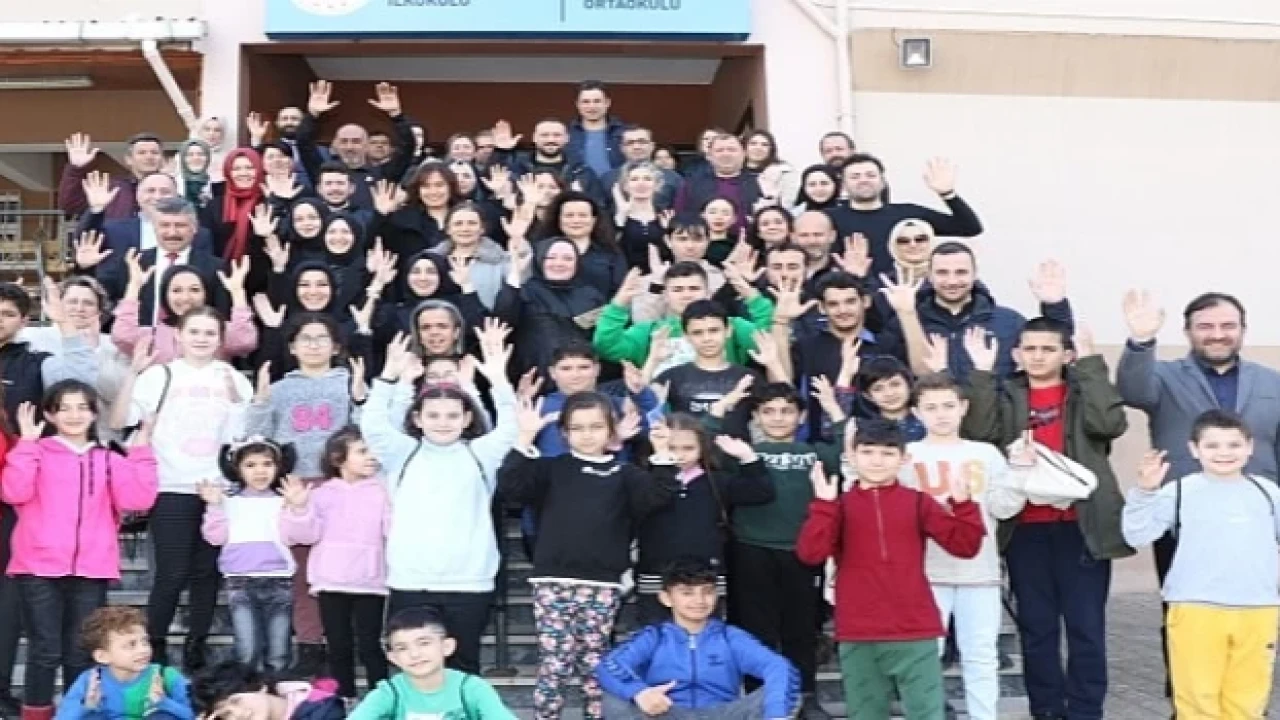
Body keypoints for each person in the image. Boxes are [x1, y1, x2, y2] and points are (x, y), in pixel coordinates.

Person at [962, 318, 1132, 720]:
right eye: (1030, 349)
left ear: (1066, 355)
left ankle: (1086, 711)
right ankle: (1047, 710)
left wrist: (1091, 366)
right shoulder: (1006, 394)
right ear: (1017, 354)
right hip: (1025, 528)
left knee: (1085, 627)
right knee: (1037, 628)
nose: (1038, 357)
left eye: (1048, 349)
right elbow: (979, 434)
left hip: (1082, 527)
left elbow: (1109, 424)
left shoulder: (1083, 390)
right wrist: (982, 376)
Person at [498, 392, 679, 720]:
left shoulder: (625, 474)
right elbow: (512, 487)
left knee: (596, 664)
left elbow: (658, 497)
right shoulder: (551, 469)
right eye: (577, 428)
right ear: (564, 433)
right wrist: (524, 438)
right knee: (555, 663)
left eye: (596, 426)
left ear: (612, 430)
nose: (587, 434)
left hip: (602, 583)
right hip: (552, 581)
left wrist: (663, 453)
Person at [796, 420, 985, 720]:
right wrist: (823, 506)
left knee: (928, 714)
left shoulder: (918, 502)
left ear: (903, 459)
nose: (877, 461)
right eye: (868, 452)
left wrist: (964, 505)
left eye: (887, 453)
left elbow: (965, 546)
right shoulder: (839, 505)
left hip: (916, 630)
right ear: (852, 456)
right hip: (859, 632)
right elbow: (810, 554)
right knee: (865, 714)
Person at [362, 323, 517, 676]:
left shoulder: (481, 454)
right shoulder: (402, 452)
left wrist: (497, 379)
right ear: (417, 419)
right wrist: (389, 379)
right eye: (433, 415)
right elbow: (373, 425)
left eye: (452, 416)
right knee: (413, 669)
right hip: (410, 581)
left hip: (470, 582)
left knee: (463, 669)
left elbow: (510, 427)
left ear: (466, 419)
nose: (443, 423)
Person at [4, 382, 158, 720]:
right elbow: (13, 492)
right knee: (44, 651)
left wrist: (141, 452)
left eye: (82, 407)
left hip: (92, 568)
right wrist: (26, 445)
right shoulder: (37, 452)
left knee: (82, 651)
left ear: (93, 413)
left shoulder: (107, 459)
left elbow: (139, 499)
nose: (74, 415)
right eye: (64, 408)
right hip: (38, 567)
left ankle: (78, 714)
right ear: (50, 415)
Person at [114, 307, 254, 671]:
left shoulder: (233, 378)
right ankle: (155, 644)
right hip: (171, 485)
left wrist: (237, 402)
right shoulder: (159, 375)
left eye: (210, 332)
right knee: (171, 574)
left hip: (217, 488)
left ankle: (197, 645)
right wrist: (133, 373)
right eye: (194, 331)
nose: (201, 339)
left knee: (207, 575)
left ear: (220, 338)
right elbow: (123, 419)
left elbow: (242, 438)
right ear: (178, 335)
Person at [1122, 410, 1280, 720]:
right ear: (1194, 449)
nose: (1224, 453)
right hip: (1196, 609)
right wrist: (1144, 492)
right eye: (1212, 445)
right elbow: (1137, 534)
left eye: (1234, 445)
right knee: (1197, 700)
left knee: (1248, 701)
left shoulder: (1267, 492)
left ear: (1250, 447)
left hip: (1258, 609)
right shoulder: (1179, 491)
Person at [711, 382, 846, 720]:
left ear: (801, 416)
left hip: (801, 552)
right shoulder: (741, 452)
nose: (778, 418)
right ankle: (758, 698)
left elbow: (848, 450)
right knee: (754, 631)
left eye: (787, 411)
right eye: (768, 411)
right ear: (756, 416)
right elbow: (703, 448)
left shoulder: (814, 452)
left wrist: (835, 410)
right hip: (750, 549)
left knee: (801, 630)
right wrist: (721, 409)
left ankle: (805, 696)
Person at [0, 280, 101, 713]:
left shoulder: (34, 362)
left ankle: (2, 690)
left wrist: (66, 326)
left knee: (8, 602)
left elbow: (82, 382)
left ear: (24, 321)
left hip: (14, 495)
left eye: (8, 313)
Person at [898, 373, 1022, 720]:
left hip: (979, 570)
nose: (941, 414)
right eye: (931, 407)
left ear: (963, 407)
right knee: (925, 656)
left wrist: (1020, 474)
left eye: (948, 406)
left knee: (981, 656)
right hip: (924, 573)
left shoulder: (985, 454)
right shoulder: (907, 455)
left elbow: (1004, 507)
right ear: (916, 412)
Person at [597, 558, 800, 720]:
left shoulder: (729, 637)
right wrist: (640, 693)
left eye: (707, 592)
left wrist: (775, 715)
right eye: (687, 593)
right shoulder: (654, 636)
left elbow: (778, 667)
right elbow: (609, 666)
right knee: (614, 699)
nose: (699, 600)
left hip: (723, 714)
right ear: (666, 598)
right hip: (668, 713)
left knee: (786, 693)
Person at [281, 426, 392, 700]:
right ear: (337, 458)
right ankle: (345, 700)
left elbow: (393, 531)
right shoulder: (319, 493)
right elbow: (303, 535)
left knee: (370, 645)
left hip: (370, 581)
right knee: (338, 645)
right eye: (362, 451)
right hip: (330, 581)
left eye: (373, 451)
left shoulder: (383, 491)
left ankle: (383, 700)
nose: (371, 457)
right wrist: (298, 508)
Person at [632, 414, 772, 624]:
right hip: (656, 574)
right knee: (656, 633)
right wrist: (662, 465)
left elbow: (761, 492)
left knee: (707, 633)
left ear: (702, 449)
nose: (679, 455)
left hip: (706, 575)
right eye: (671, 448)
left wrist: (748, 457)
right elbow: (644, 504)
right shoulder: (644, 480)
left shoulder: (715, 481)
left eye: (688, 448)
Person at [199, 439, 301, 673]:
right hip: (240, 582)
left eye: (267, 464)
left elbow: (299, 535)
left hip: (279, 580)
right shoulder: (227, 502)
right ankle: (249, 689)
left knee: (279, 650)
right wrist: (214, 507)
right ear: (237, 469)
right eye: (250, 465)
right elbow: (215, 537)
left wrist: (298, 508)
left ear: (278, 466)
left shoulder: (284, 500)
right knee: (247, 649)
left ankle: (275, 689)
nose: (260, 471)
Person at [910, 244, 1073, 380]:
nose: (952, 281)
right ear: (929, 276)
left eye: (961, 272)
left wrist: (1055, 306)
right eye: (942, 272)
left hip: (997, 409)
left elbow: (1057, 352)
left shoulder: (1009, 321)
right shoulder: (910, 322)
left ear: (975, 274)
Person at [594, 265, 774, 376]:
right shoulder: (649, 331)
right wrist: (619, 304)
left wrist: (752, 296)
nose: (686, 295)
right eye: (678, 290)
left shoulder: (731, 326)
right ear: (665, 295)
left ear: (708, 293)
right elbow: (607, 346)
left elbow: (768, 338)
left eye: (694, 288)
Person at [347, 607, 515, 720]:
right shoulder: (390, 693)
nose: (415, 654)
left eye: (424, 643)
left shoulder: (471, 688)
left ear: (447, 646)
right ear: (393, 658)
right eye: (402, 648)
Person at [827, 154, 982, 277]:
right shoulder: (828, 219)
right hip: (854, 297)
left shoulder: (908, 214)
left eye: (871, 175)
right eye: (855, 176)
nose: (863, 180)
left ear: (883, 181)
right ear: (843, 185)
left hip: (908, 293)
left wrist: (948, 194)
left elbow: (970, 228)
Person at [653, 302, 788, 439]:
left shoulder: (748, 377)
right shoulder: (672, 376)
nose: (707, 339)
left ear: (728, 330)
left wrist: (774, 363)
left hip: (737, 450)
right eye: (697, 333)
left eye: (714, 330)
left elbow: (789, 404)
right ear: (686, 336)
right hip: (688, 449)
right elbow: (644, 405)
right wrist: (652, 361)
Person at [94, 197, 228, 326]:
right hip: (139, 339)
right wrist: (86, 267)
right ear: (154, 227)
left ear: (194, 228)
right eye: (165, 225)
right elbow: (98, 296)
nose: (172, 233)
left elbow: (222, 317)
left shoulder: (216, 268)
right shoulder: (133, 262)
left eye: (180, 225)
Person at [56, 606, 193, 720]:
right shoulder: (90, 680)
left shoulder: (166, 676)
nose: (143, 650)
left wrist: (164, 703)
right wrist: (87, 706)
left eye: (145, 641)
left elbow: (198, 715)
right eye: (131, 645)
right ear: (102, 656)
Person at [491, 118, 606, 207]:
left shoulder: (581, 172)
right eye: (544, 135)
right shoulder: (517, 169)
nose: (551, 140)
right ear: (534, 138)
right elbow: (491, 184)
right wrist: (501, 152)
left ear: (567, 138)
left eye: (557, 135)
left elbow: (599, 207)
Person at [59, 132, 166, 219]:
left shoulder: (171, 189)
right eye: (142, 153)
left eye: (154, 152)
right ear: (128, 159)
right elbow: (70, 206)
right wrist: (76, 170)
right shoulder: (111, 187)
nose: (149, 157)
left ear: (162, 158)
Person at [190, 661, 346, 720]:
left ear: (260, 687)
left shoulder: (323, 711)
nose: (238, 715)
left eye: (237, 701)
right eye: (226, 715)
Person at [673, 134, 758, 235]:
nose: (726, 154)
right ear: (709, 156)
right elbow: (680, 219)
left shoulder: (759, 184)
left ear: (744, 154)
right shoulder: (691, 185)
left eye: (732, 150)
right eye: (719, 150)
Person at [600, 126, 683, 212]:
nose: (636, 147)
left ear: (652, 146)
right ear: (622, 148)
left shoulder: (673, 178)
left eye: (642, 142)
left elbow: (682, 211)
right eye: (630, 143)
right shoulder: (608, 179)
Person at [567, 80, 625, 178]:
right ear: (577, 104)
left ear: (607, 103)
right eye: (586, 102)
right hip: (578, 187)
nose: (592, 106)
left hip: (617, 186)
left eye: (597, 101)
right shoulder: (567, 134)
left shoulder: (624, 133)